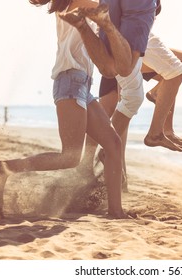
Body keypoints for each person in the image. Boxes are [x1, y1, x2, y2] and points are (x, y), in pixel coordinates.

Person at [0, 0, 128, 219]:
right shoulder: (78, 2)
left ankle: (116, 211)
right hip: (70, 79)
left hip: (83, 82)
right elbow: (110, 10)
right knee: (70, 157)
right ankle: (4, 168)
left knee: (113, 144)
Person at [61, 0, 156, 188]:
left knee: (118, 105)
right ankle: (91, 165)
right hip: (118, 45)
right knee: (115, 103)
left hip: (114, 46)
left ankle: (110, 170)